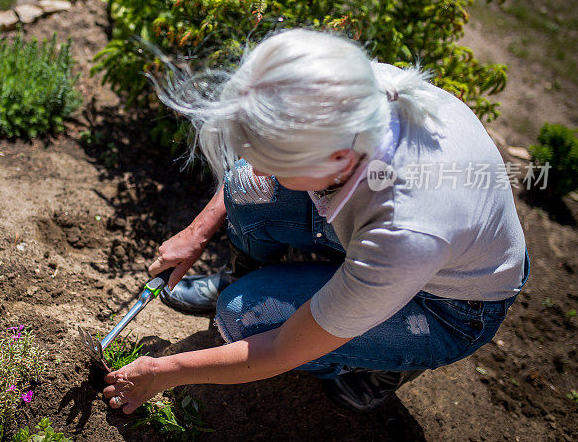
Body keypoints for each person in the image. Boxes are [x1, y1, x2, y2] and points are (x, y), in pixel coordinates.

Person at [102, 29, 529, 414]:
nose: (262, 169)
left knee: (242, 318)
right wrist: (197, 233)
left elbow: (280, 349)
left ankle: (381, 364)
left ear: (338, 160)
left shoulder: (404, 231)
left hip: (447, 304)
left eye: (276, 163)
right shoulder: (350, 92)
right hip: (395, 236)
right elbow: (251, 169)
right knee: (250, 186)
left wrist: (164, 371)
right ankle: (292, 286)